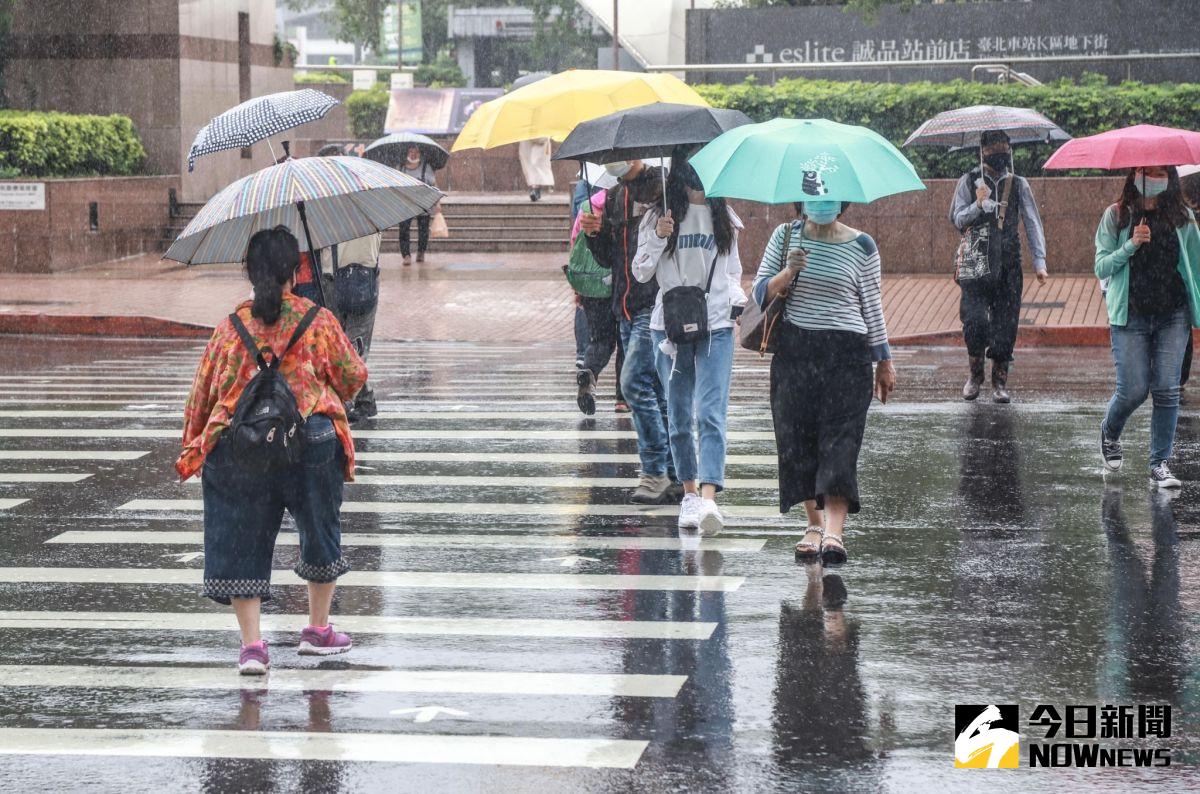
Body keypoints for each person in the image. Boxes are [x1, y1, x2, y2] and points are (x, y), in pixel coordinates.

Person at [177, 226, 367, 674]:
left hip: (239, 449)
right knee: (320, 531)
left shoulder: (229, 329)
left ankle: (253, 647)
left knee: (242, 538)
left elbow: (201, 397)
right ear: (296, 270)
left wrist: (193, 448)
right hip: (309, 444)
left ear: (249, 270)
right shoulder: (317, 320)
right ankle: (318, 631)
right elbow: (353, 379)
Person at [753, 202, 895, 565]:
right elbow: (759, 293)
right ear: (801, 200)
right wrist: (788, 272)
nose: (822, 202)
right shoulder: (785, 236)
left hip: (848, 355)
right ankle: (813, 525)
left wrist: (884, 361)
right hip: (796, 352)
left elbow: (872, 306)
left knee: (841, 442)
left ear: (843, 201)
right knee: (797, 441)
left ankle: (834, 531)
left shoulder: (863, 246)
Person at [633, 156, 745, 533]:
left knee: (711, 413)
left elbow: (732, 272)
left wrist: (736, 300)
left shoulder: (724, 218)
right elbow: (641, 271)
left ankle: (710, 500)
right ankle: (690, 495)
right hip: (670, 328)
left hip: (716, 325)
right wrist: (659, 235)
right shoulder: (657, 216)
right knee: (679, 417)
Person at [1095, 166, 1200, 488]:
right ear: (1134, 176)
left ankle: (1160, 464)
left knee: (1167, 389)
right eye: (1146, 171)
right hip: (1131, 316)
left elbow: (1195, 265)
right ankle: (1110, 432)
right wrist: (1131, 245)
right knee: (1134, 389)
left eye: (1159, 171)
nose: (1154, 177)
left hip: (1173, 314)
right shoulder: (1117, 216)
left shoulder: (1181, 217)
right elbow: (1101, 266)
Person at [581, 159, 678, 503]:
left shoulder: (660, 186)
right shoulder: (614, 195)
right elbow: (610, 257)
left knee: (633, 383)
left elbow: (666, 241)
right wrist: (595, 235)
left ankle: (654, 472)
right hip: (622, 305)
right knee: (655, 391)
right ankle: (675, 471)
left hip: (652, 304)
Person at [951, 130, 1049, 403]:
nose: (1001, 154)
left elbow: (1032, 222)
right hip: (975, 263)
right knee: (974, 320)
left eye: (1005, 149)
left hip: (1008, 263)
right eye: (995, 149)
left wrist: (1039, 262)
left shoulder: (1019, 184)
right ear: (983, 151)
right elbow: (957, 219)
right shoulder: (968, 181)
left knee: (1006, 323)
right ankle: (975, 375)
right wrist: (977, 205)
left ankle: (999, 381)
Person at [319, 232, 382, 421]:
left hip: (353, 274)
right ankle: (363, 399)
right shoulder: (367, 208)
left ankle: (350, 400)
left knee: (350, 345)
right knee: (348, 345)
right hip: (352, 273)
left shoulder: (331, 207)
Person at [398, 146, 437, 266]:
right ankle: (406, 255)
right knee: (404, 231)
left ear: (419, 154)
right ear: (407, 153)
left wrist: (438, 203)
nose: (413, 154)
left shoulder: (426, 167)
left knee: (423, 231)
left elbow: (434, 185)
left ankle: (421, 252)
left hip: (423, 204)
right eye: (410, 151)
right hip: (405, 205)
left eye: (416, 152)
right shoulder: (401, 168)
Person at [519, 137, 555, 202]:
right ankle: (535, 189)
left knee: (536, 165)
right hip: (527, 138)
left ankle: (535, 189)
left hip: (541, 139)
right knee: (530, 165)